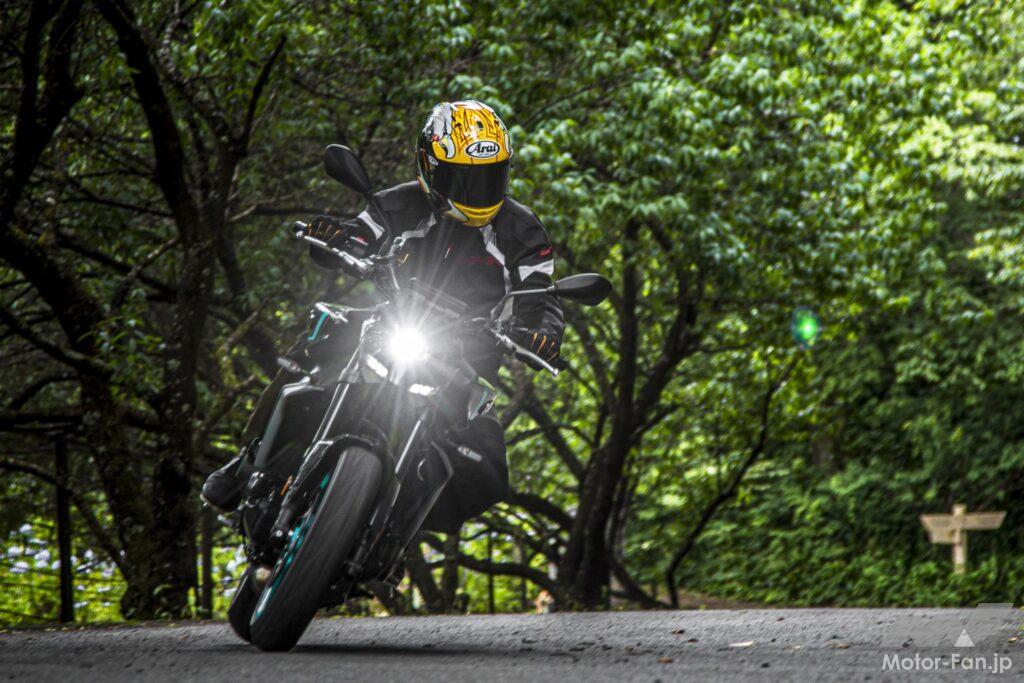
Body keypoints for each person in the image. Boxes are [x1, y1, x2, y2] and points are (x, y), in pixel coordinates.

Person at [202, 100, 564, 533]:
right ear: (430, 168)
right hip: (396, 324)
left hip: (469, 356)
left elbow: (539, 296)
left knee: (486, 468)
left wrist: (541, 334)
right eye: (463, 178)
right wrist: (335, 237)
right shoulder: (401, 203)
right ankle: (248, 462)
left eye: (490, 177)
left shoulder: (523, 230)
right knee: (327, 328)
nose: (477, 191)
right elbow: (359, 235)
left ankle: (388, 536)